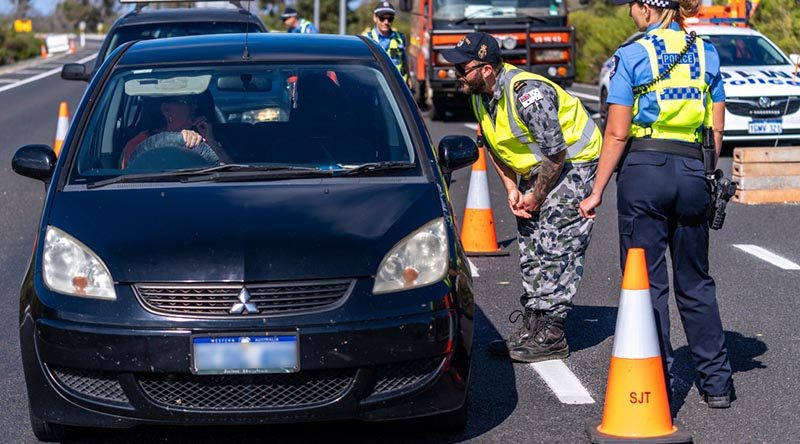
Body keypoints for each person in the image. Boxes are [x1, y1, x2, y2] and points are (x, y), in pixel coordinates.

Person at [578, 0, 734, 408]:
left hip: (644, 169)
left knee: (647, 284)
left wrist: (596, 190)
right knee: (696, 281)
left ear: (647, 8)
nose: (630, 12)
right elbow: (716, 127)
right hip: (693, 169)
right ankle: (717, 385)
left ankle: (657, 385)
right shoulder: (706, 53)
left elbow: (616, 133)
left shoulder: (630, 56)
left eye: (632, 5)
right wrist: (703, 171)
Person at [442, 33, 602, 363]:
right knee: (531, 242)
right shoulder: (480, 96)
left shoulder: (527, 94)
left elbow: (555, 154)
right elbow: (496, 147)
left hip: (573, 163)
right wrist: (513, 191)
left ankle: (552, 332)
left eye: (462, 68)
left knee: (556, 243)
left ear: (486, 69)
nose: (457, 74)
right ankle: (533, 324)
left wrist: (537, 197)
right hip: (538, 169)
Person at [121, 95, 229, 168]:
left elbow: (231, 176)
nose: (195, 107)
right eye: (188, 102)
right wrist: (179, 139)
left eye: (195, 102)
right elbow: (129, 180)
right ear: (166, 109)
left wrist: (210, 141)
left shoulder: (205, 135)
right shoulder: (140, 142)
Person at [362, 1, 411, 89]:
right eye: (382, 18)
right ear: (375, 18)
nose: (386, 22)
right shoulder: (366, 39)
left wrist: (409, 78)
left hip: (398, 86)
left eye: (390, 19)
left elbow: (404, 60)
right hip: (376, 86)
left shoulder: (400, 38)